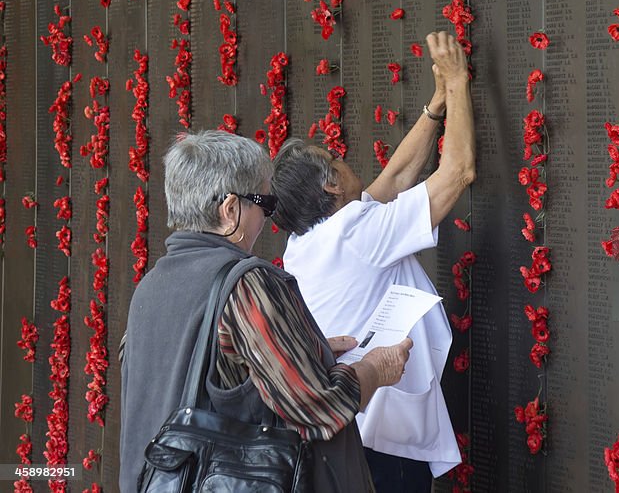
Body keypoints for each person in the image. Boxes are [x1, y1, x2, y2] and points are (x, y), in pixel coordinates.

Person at [120, 130, 411, 492]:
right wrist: (374, 368)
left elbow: (204, 375)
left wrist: (307, 351)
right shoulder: (247, 285)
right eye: (265, 204)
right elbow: (319, 409)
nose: (269, 217)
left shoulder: (151, 287)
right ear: (230, 211)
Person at [271, 30, 476, 491]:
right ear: (330, 187)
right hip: (384, 446)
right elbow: (458, 172)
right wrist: (460, 81)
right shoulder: (355, 234)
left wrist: (436, 106)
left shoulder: (306, 245)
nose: (344, 160)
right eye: (336, 159)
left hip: (351, 434)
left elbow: (397, 178)